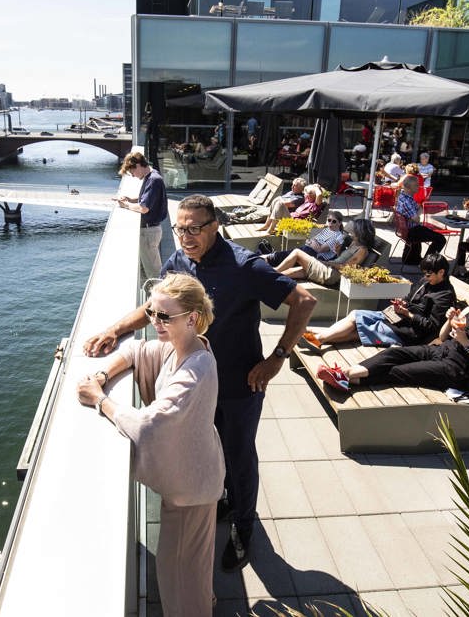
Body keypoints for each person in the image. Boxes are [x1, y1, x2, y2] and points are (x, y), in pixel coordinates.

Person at [82, 195, 317, 573]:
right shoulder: (181, 261)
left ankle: (244, 529)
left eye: (195, 228)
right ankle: (226, 499)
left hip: (241, 385)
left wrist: (276, 359)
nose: (186, 236)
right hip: (197, 381)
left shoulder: (245, 267)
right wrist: (114, 329)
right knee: (211, 447)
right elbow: (154, 307)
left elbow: (303, 301)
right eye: (180, 228)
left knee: (240, 456)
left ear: (215, 226)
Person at [76, 273, 224, 615]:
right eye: (152, 312)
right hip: (200, 476)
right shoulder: (184, 347)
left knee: (175, 575)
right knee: (194, 563)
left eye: (163, 316)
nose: (154, 322)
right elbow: (135, 351)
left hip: (191, 491)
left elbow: (149, 426)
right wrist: (102, 374)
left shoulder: (193, 371)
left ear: (192, 318)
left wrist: (101, 401)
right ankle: (204, 598)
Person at [330, 270, 469, 389]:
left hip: (453, 369)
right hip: (438, 351)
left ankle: (344, 378)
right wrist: (449, 321)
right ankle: (344, 374)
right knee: (392, 355)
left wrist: (465, 341)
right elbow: (443, 337)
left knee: (399, 371)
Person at [302, 253, 455, 350]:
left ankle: (317, 337)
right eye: (424, 274)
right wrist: (401, 303)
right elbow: (410, 298)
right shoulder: (426, 281)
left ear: (441, 272)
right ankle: (317, 336)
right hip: (399, 318)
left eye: (428, 274)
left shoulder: (444, 295)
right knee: (356, 314)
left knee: (361, 330)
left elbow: (431, 326)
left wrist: (408, 314)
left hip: (410, 332)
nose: (425, 277)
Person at [271, 218, 380, 287]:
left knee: (297, 253)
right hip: (329, 268)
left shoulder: (362, 250)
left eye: (354, 229)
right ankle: (267, 277)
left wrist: (326, 263)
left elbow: (346, 267)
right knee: (290, 271)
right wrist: (338, 252)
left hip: (331, 275)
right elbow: (341, 260)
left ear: (360, 232)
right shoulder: (354, 243)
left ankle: (272, 271)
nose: (351, 231)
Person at [116, 151, 168, 279]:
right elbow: (146, 200)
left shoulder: (153, 180)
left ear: (138, 165)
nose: (133, 176)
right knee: (152, 268)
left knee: (154, 272)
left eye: (132, 172)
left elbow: (143, 208)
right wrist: (131, 199)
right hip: (151, 230)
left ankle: (159, 297)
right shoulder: (152, 175)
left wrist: (126, 205)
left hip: (149, 232)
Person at [396, 174, 447, 265]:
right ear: (408, 188)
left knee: (431, 233)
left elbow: (419, 208)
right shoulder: (406, 201)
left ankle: (413, 259)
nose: (418, 187)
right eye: (416, 185)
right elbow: (417, 219)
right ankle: (427, 263)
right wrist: (417, 214)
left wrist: (418, 213)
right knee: (441, 239)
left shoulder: (405, 197)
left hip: (409, 230)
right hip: (412, 231)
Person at [263, 211, 347, 264]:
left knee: (289, 255)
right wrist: (314, 242)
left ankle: (267, 259)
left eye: (334, 221)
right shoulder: (326, 230)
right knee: (288, 253)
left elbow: (320, 249)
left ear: (339, 223)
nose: (330, 223)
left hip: (317, 258)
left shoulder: (338, 236)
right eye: (329, 220)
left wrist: (313, 242)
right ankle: (267, 258)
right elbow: (309, 240)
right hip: (309, 250)